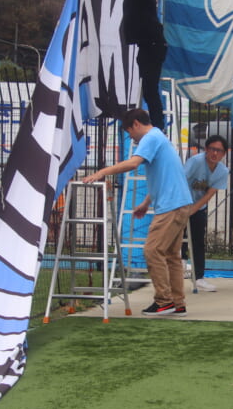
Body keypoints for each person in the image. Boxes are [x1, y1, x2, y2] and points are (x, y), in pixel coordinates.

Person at [82, 109, 193, 316]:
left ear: (135, 124)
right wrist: (145, 202)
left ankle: (164, 301)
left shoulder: (150, 138)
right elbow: (164, 176)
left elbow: (133, 163)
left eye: (129, 132)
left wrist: (102, 172)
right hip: (178, 203)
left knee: (152, 250)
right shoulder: (159, 137)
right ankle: (178, 303)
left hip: (171, 206)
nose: (131, 137)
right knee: (171, 256)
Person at [83, 0, 167, 131]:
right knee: (148, 89)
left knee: (150, 90)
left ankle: (158, 128)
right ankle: (152, 125)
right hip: (146, 45)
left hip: (154, 45)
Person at [182, 134, 230, 292]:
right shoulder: (195, 162)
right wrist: (184, 207)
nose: (215, 153)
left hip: (198, 207)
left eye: (219, 151)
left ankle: (199, 278)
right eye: (212, 149)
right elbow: (181, 181)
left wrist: (193, 209)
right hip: (181, 202)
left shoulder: (223, 171)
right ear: (206, 149)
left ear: (224, 154)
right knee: (178, 237)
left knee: (198, 241)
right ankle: (179, 266)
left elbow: (209, 194)